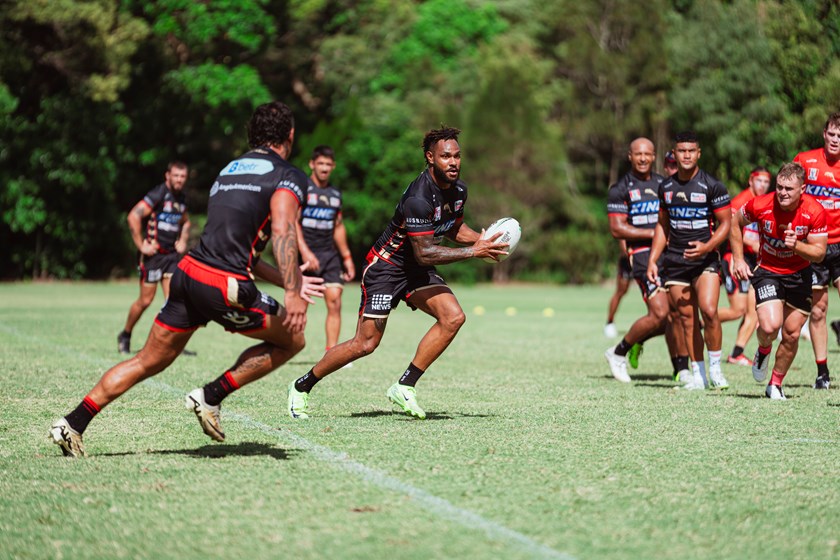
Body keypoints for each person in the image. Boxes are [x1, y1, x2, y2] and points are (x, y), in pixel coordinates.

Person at [48, 101, 325, 457]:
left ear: (251, 135)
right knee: (293, 339)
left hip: (187, 273)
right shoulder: (288, 175)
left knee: (147, 360)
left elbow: (248, 255)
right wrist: (294, 293)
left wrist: (291, 282)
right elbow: (284, 228)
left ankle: (72, 423)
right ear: (291, 135)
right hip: (224, 285)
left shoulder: (229, 170)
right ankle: (211, 395)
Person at [286, 126, 509, 420]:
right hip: (386, 267)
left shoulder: (458, 191)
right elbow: (425, 252)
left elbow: (452, 227)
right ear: (430, 158)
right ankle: (301, 386)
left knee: (453, 317)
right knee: (365, 344)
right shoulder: (418, 197)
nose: (453, 162)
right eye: (446, 156)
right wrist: (473, 252)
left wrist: (482, 241)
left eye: (457, 156)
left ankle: (405, 385)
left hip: (415, 268)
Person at [730, 163, 827, 399]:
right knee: (770, 326)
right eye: (780, 187)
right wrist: (738, 259)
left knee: (792, 333)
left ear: (802, 189)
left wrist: (797, 246)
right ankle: (763, 349)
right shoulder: (760, 204)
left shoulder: (814, 211)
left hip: (799, 274)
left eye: (789, 189)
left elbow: (819, 253)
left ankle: (775, 384)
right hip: (768, 271)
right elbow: (735, 223)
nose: (782, 193)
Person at [647, 131, 732, 390]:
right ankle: (699, 375)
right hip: (675, 261)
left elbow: (726, 223)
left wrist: (707, 247)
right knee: (687, 319)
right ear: (674, 153)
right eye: (681, 151)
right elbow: (662, 226)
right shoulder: (666, 187)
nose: (686, 155)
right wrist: (653, 260)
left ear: (698, 154)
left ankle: (716, 370)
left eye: (691, 151)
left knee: (708, 310)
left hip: (705, 260)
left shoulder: (712, 185)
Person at [604, 137, 689, 383]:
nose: (643, 158)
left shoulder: (664, 184)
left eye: (647, 154)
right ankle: (618, 352)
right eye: (638, 154)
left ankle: (681, 369)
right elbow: (617, 228)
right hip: (641, 255)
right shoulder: (620, 188)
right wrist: (654, 233)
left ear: (654, 157)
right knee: (660, 313)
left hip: (669, 255)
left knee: (677, 313)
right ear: (630, 156)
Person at [117, 162, 191, 355]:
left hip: (171, 257)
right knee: (145, 301)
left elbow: (186, 222)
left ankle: (174, 345)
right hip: (153, 257)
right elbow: (133, 216)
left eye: (182, 176)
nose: (179, 180)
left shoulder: (181, 198)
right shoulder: (158, 194)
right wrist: (141, 245)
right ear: (168, 176)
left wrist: (183, 240)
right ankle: (125, 334)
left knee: (174, 301)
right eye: (176, 175)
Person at [794, 112, 840, 390]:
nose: (835, 140)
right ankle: (822, 372)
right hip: (815, 245)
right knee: (819, 310)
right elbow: (788, 195)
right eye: (832, 134)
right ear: (824, 134)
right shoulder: (805, 160)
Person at [296, 145, 356, 354]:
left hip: (329, 255)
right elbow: (292, 223)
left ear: (333, 166)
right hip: (304, 256)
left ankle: (331, 353)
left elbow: (338, 226)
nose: (324, 168)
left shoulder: (335, 194)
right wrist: (305, 252)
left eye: (328, 164)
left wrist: (347, 257)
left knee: (335, 301)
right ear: (312, 164)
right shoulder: (302, 189)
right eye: (320, 163)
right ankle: (288, 347)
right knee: (300, 306)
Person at [720, 167, 771, 365]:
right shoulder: (740, 201)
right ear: (751, 181)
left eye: (766, 182)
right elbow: (728, 230)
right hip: (735, 258)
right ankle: (697, 323)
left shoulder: (765, 202)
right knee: (737, 310)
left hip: (753, 262)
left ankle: (737, 354)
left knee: (754, 312)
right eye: (759, 181)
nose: (763, 185)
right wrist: (750, 244)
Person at [603, 248, 632, 338]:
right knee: (621, 291)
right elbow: (624, 249)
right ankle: (609, 322)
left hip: (645, 259)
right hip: (628, 261)